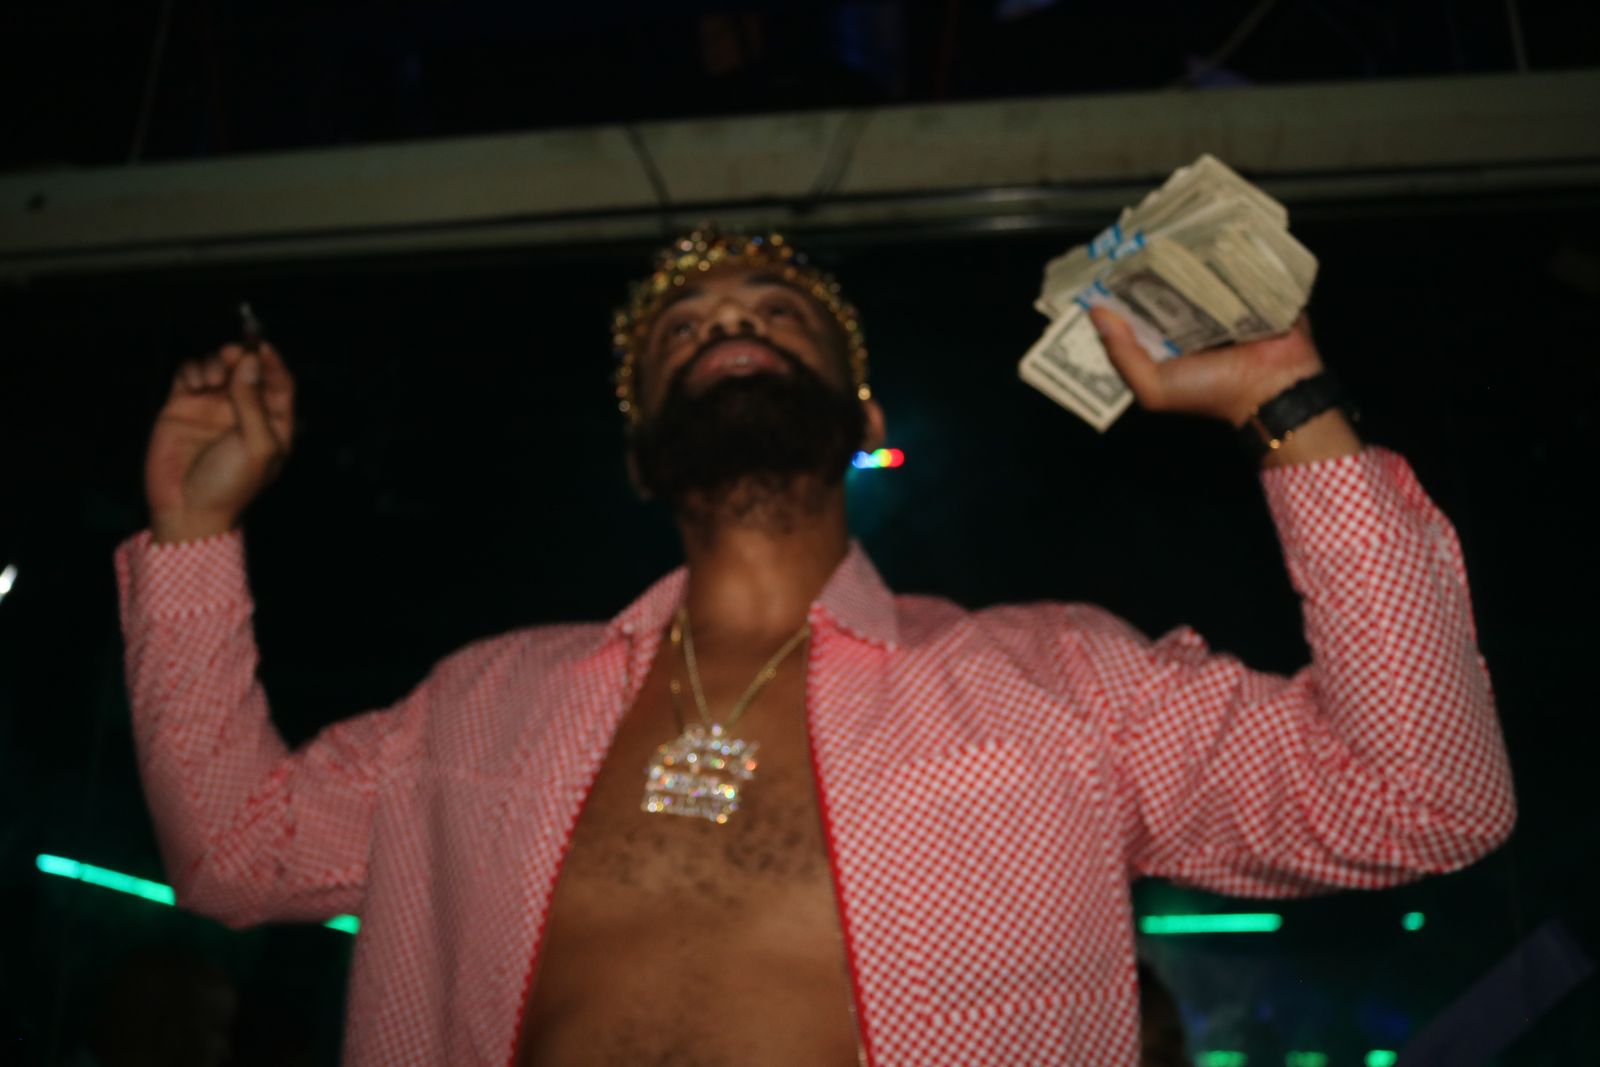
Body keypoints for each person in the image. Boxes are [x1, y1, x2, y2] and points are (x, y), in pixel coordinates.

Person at [116, 228, 1515, 1066]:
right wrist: (191, 532)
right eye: (685, 330)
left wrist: (1286, 401)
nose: (731, 323)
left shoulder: (1058, 681)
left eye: (778, 317)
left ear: (863, 418)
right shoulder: (480, 702)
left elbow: (1424, 796)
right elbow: (234, 851)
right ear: (638, 449)